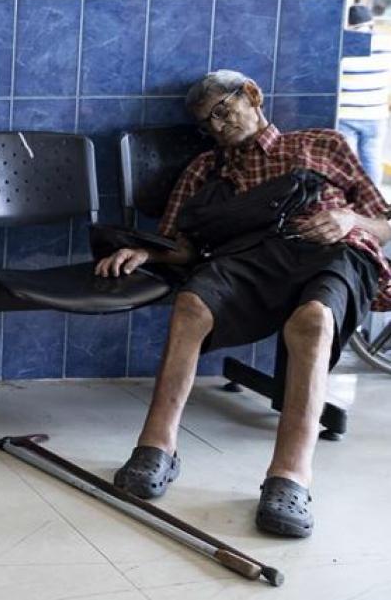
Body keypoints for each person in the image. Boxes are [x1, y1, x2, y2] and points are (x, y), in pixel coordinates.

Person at [95, 69, 391, 538]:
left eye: (221, 112)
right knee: (192, 303)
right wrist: (147, 251)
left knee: (312, 321)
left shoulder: (324, 144)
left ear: (251, 95)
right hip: (250, 259)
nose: (216, 127)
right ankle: (157, 448)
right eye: (205, 123)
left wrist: (347, 216)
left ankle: (290, 478)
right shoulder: (205, 169)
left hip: (335, 253)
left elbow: (385, 219)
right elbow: (182, 247)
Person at [337, 3, 391, 184]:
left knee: (349, 164)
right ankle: (376, 205)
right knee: (372, 160)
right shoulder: (386, 44)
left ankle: (354, 202)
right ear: (371, 22)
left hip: (347, 114)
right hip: (375, 114)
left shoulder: (344, 47)